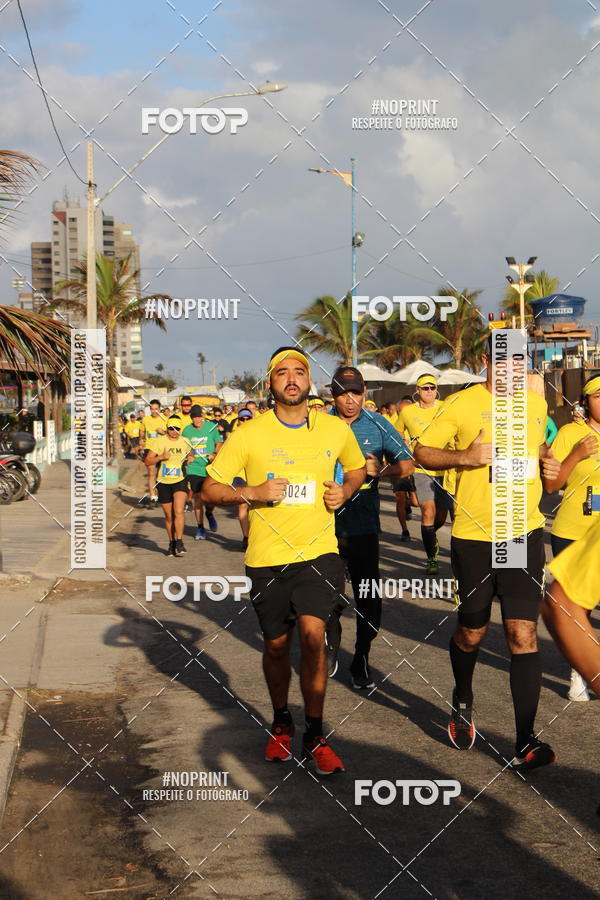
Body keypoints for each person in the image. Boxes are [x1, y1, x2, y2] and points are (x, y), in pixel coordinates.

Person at [201, 346, 366, 774]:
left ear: (309, 382)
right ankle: (281, 723)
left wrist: (344, 491)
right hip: (267, 558)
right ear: (270, 383)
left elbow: (357, 468)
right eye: (281, 373)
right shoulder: (249, 434)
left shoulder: (333, 429)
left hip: (319, 554)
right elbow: (210, 490)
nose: (291, 379)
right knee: (276, 646)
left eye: (299, 372)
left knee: (313, 638)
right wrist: (253, 493)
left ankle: (315, 732)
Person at [414, 335, 561, 769]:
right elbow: (421, 451)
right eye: (502, 361)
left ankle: (525, 740)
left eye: (519, 361)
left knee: (522, 635)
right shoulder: (459, 404)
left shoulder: (535, 407)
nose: (511, 369)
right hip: (476, 537)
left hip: (523, 534)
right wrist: (465, 456)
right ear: (485, 362)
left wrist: (548, 463)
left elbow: (537, 451)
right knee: (472, 631)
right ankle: (462, 695)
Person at [329, 366, 413, 688]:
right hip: (325, 524)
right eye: (343, 393)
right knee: (328, 594)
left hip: (363, 525)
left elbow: (407, 464)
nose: (350, 400)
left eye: (356, 393)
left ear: (365, 392)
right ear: (332, 394)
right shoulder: (320, 424)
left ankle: (361, 656)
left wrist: (381, 471)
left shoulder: (379, 424)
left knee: (369, 596)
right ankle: (331, 641)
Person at [542, 373, 600, 701]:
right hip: (573, 530)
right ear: (585, 402)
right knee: (578, 606)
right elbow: (551, 485)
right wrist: (576, 455)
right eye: (598, 395)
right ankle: (579, 671)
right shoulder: (570, 433)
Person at [396, 375, 453, 574]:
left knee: (441, 516)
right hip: (421, 470)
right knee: (427, 510)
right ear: (417, 390)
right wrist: (403, 449)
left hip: (446, 469)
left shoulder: (446, 407)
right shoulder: (407, 412)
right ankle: (432, 559)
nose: (429, 391)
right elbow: (396, 433)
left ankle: (430, 536)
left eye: (432, 388)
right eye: (425, 388)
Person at [542, 516, 600, 699]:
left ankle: (525, 729)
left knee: (522, 633)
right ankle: (463, 700)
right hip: (504, 523)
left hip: (518, 528)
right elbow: (551, 487)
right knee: (474, 627)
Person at [145, 416, 193, 557]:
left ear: (180, 429)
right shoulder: (159, 442)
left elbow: (190, 454)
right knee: (169, 516)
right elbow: (147, 461)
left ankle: (179, 541)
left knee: (179, 511)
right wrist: (160, 457)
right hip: (164, 482)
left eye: (177, 428)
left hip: (180, 480)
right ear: (167, 428)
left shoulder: (185, 441)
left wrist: (190, 458)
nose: (174, 431)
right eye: (171, 428)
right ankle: (171, 542)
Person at [182, 405, 223, 540]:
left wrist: (214, 454)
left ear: (203, 417)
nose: (198, 420)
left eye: (200, 417)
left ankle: (209, 513)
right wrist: (189, 455)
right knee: (198, 498)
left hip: (209, 468)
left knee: (210, 497)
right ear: (191, 418)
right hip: (195, 469)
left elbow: (219, 443)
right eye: (195, 417)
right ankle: (200, 528)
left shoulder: (211, 427)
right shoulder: (187, 431)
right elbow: (185, 447)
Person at [140, 399, 167, 508]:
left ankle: (162, 495)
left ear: (160, 409)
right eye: (152, 409)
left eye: (156, 409)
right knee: (151, 473)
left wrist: (163, 432)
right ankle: (152, 497)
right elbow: (142, 431)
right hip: (149, 449)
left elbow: (171, 434)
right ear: (150, 409)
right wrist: (141, 439)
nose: (154, 411)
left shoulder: (165, 420)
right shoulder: (145, 420)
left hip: (161, 449)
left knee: (161, 473)